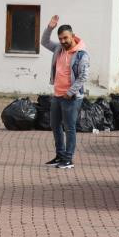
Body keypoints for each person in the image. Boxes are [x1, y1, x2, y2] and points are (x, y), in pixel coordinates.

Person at [41, 15, 90, 170]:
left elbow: (83, 76)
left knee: (69, 128)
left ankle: (68, 159)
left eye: (65, 38)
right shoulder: (58, 49)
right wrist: (50, 28)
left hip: (72, 97)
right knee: (55, 125)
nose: (63, 41)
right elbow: (44, 42)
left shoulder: (82, 54)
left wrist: (70, 92)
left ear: (72, 36)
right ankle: (60, 156)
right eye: (60, 38)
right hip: (57, 95)